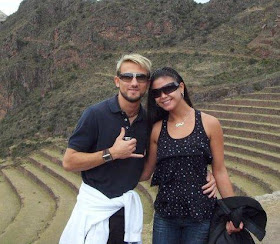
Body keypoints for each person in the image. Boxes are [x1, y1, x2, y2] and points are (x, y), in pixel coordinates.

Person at [60, 54, 217, 244]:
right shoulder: (95, 114)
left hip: (125, 212)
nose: (134, 83)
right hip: (94, 209)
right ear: (117, 81)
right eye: (127, 77)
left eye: (140, 77)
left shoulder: (150, 122)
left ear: (147, 84)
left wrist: (204, 174)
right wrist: (112, 153)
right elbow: (69, 162)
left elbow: (156, 164)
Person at [140, 67, 243, 244]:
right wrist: (112, 157)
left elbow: (219, 171)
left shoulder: (209, 123)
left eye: (168, 88)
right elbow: (146, 173)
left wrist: (234, 212)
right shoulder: (157, 129)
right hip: (166, 216)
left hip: (200, 215)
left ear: (181, 87)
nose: (163, 95)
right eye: (156, 93)